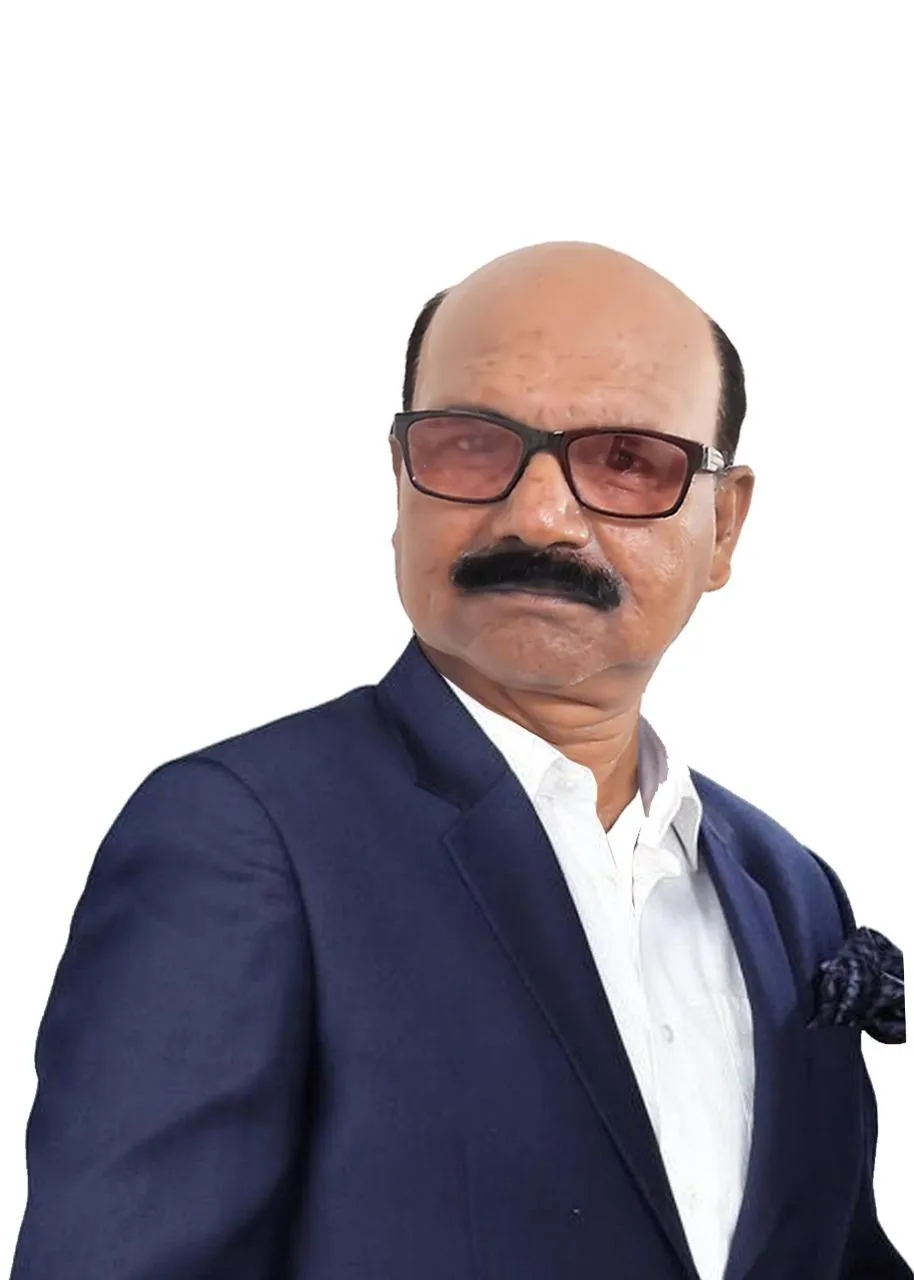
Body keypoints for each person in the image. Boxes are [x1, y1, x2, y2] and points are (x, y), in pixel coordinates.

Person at [10, 241, 910, 1280]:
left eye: (626, 459)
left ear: (724, 526)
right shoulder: (244, 838)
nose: (538, 515)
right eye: (473, 445)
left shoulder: (787, 891)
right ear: (401, 481)